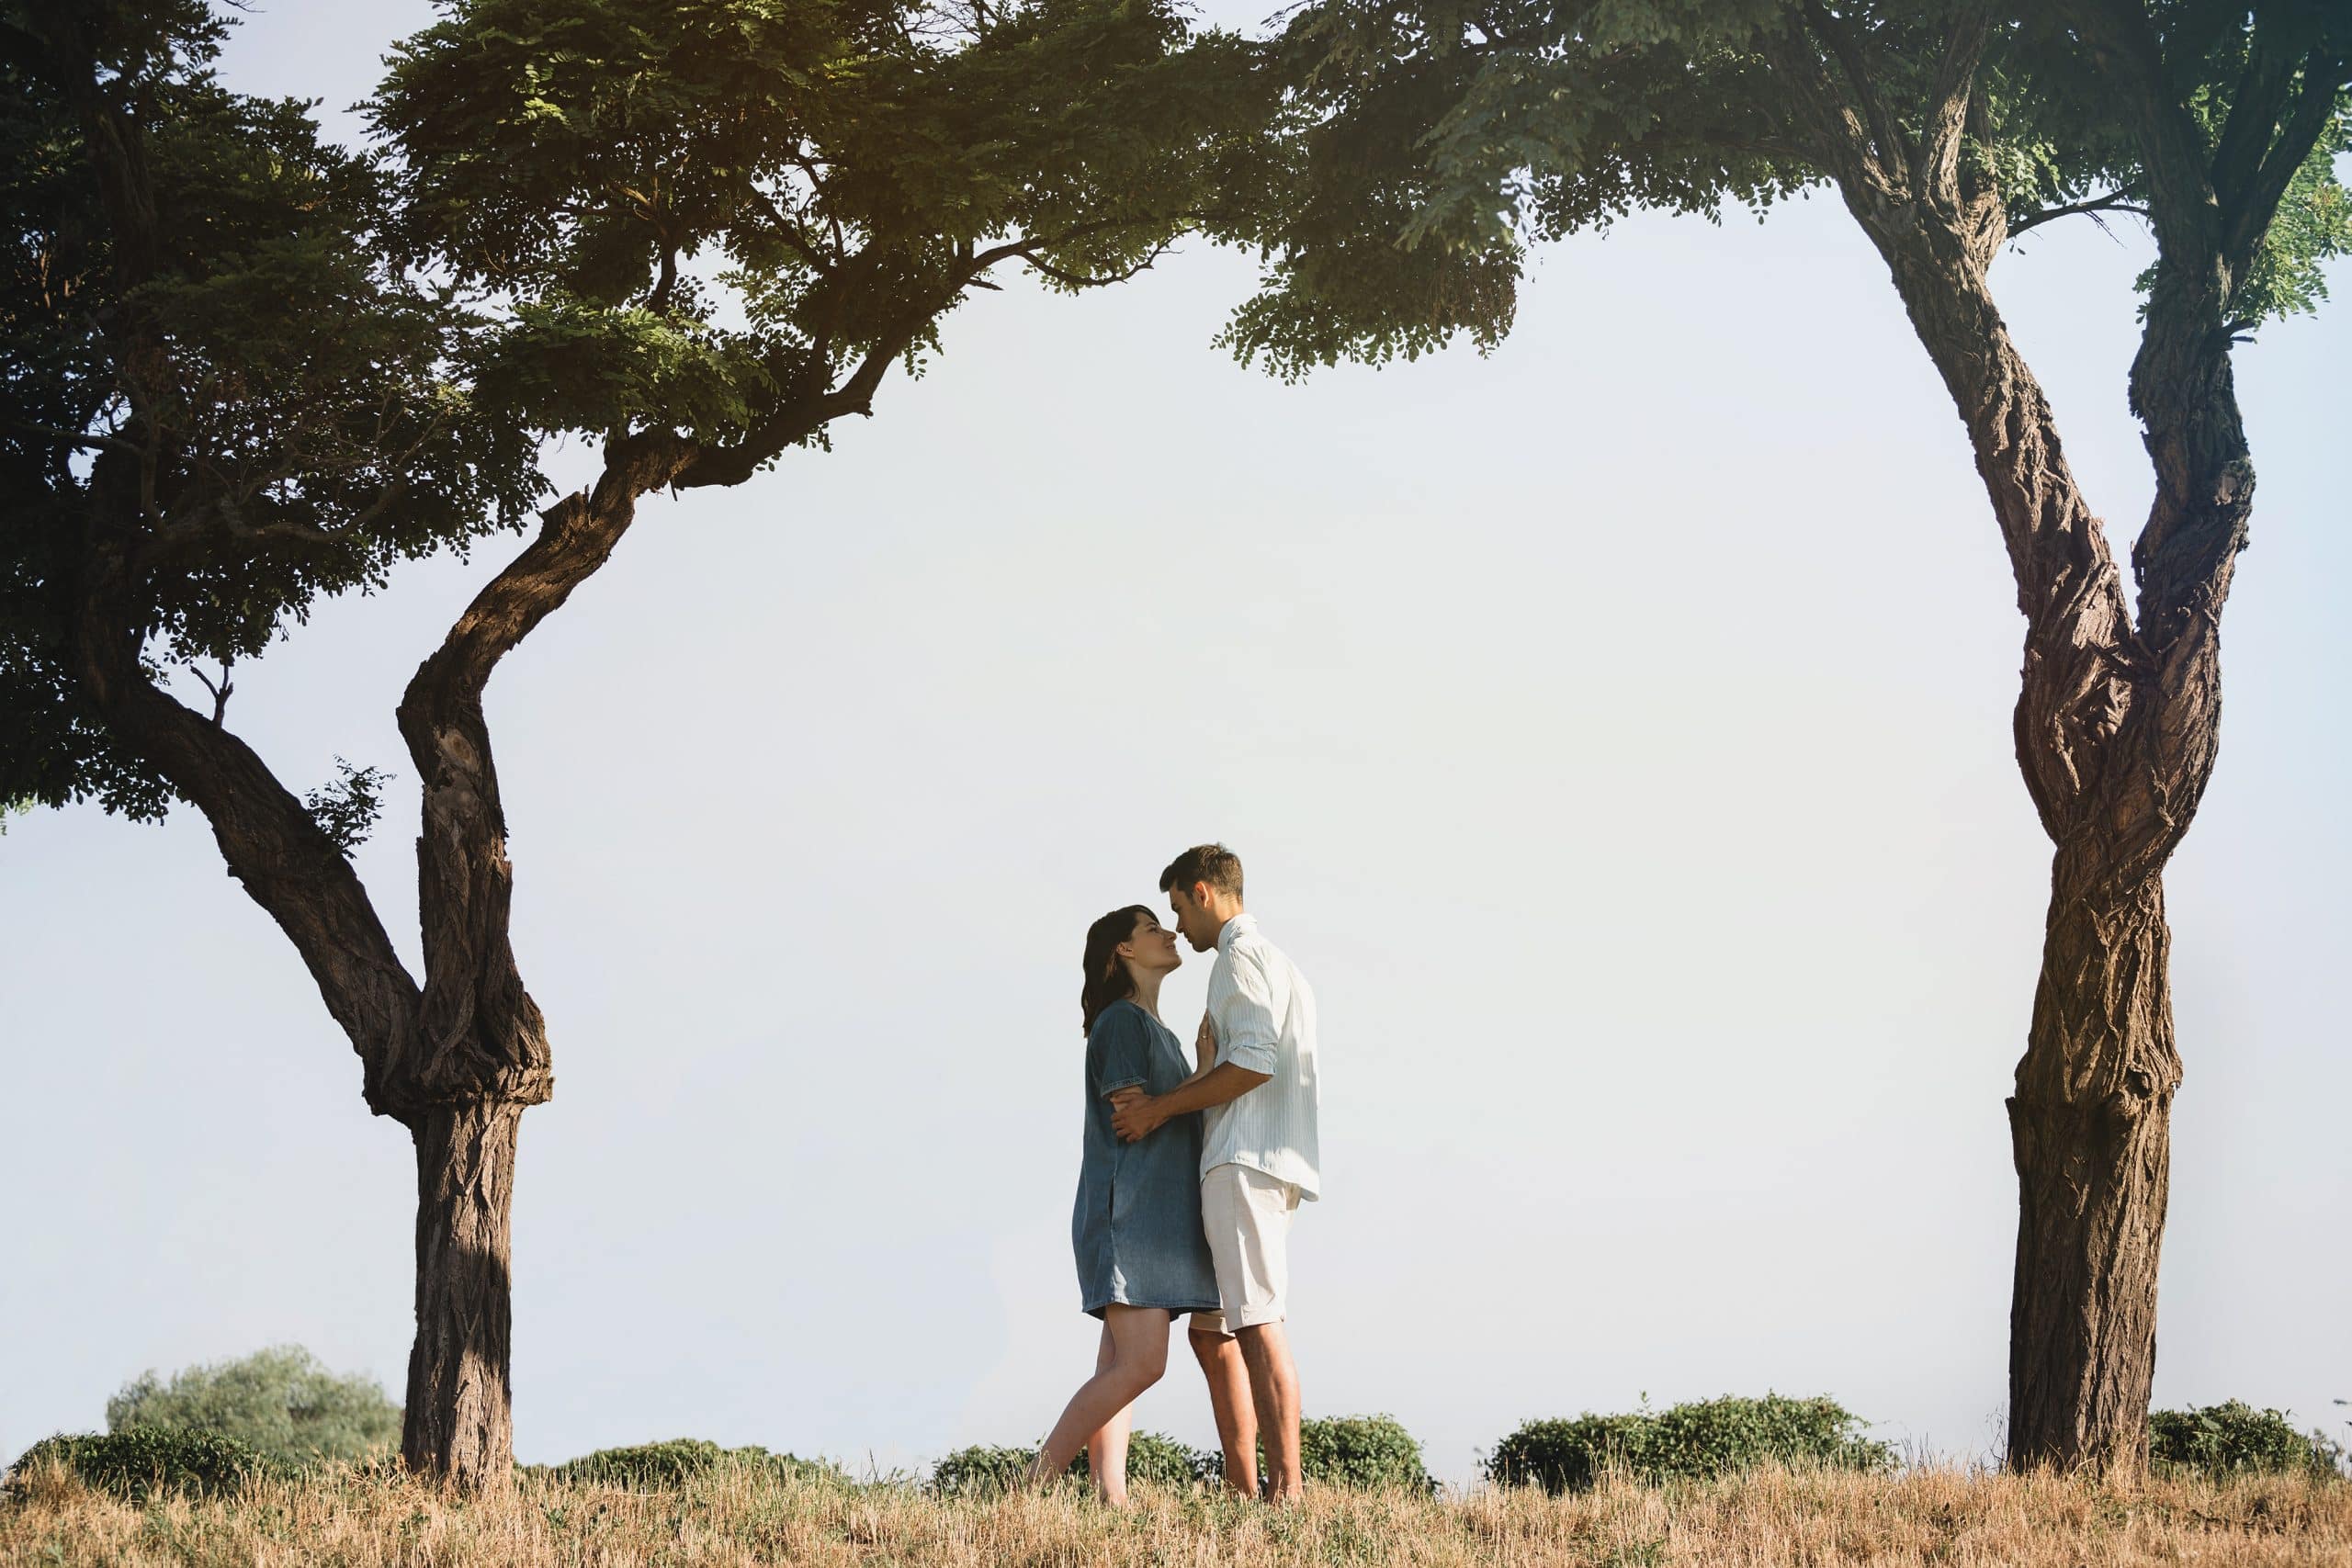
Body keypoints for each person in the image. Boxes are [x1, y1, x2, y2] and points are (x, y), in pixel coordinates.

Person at [1112, 843, 1320, 1502]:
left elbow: (1256, 1062)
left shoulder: (1235, 957)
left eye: (1178, 907)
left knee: (1258, 1321)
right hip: (1260, 1159)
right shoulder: (1280, 963)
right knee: (1216, 1329)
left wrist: (1159, 1106)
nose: (1178, 925)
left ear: (1202, 892)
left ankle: (1285, 1493)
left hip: (1243, 1160)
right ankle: (1244, 1483)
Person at [1025, 905, 1230, 1506]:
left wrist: (1200, 1069)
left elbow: (1168, 1113)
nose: (1169, 933)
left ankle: (1108, 1496)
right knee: (1142, 1364)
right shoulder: (1121, 1023)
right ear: (1123, 951)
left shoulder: (1154, 1030)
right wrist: (1208, 1075)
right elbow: (1134, 1119)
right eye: (1151, 929)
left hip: (1149, 1218)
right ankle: (1030, 1486)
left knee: (1120, 1366)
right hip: (1129, 1215)